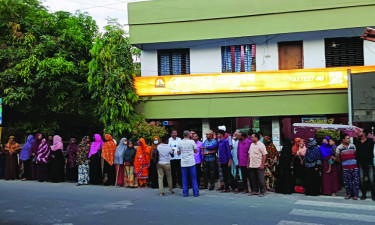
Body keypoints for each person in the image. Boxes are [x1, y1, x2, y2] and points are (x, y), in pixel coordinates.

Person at [336, 133, 359, 200]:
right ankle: (348, 194)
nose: (349, 140)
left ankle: (355, 195)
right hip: (345, 167)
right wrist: (342, 162)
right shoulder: (339, 147)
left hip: (354, 167)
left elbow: (355, 154)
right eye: (347, 138)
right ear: (343, 139)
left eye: (349, 138)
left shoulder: (353, 146)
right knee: (347, 181)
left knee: (355, 181)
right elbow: (337, 157)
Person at [355, 129, 375, 200]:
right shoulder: (357, 142)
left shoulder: (370, 141)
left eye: (360, 132)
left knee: (372, 180)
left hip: (369, 163)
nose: (359, 133)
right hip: (361, 163)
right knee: (361, 179)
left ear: (364, 133)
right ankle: (364, 194)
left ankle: (373, 195)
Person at [178, 130, 199, 197]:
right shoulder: (192, 142)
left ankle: (185, 193)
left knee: (184, 178)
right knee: (193, 178)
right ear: (189, 135)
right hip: (191, 162)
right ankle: (196, 193)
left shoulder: (180, 142)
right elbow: (196, 151)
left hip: (183, 162)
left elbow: (178, 153)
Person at [248, 133, 267, 197]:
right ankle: (255, 191)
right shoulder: (251, 145)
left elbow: (264, 155)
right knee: (253, 179)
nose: (251, 138)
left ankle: (262, 191)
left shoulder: (261, 145)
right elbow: (249, 154)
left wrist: (262, 164)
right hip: (252, 164)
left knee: (261, 179)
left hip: (259, 164)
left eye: (252, 137)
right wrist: (248, 163)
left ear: (256, 138)